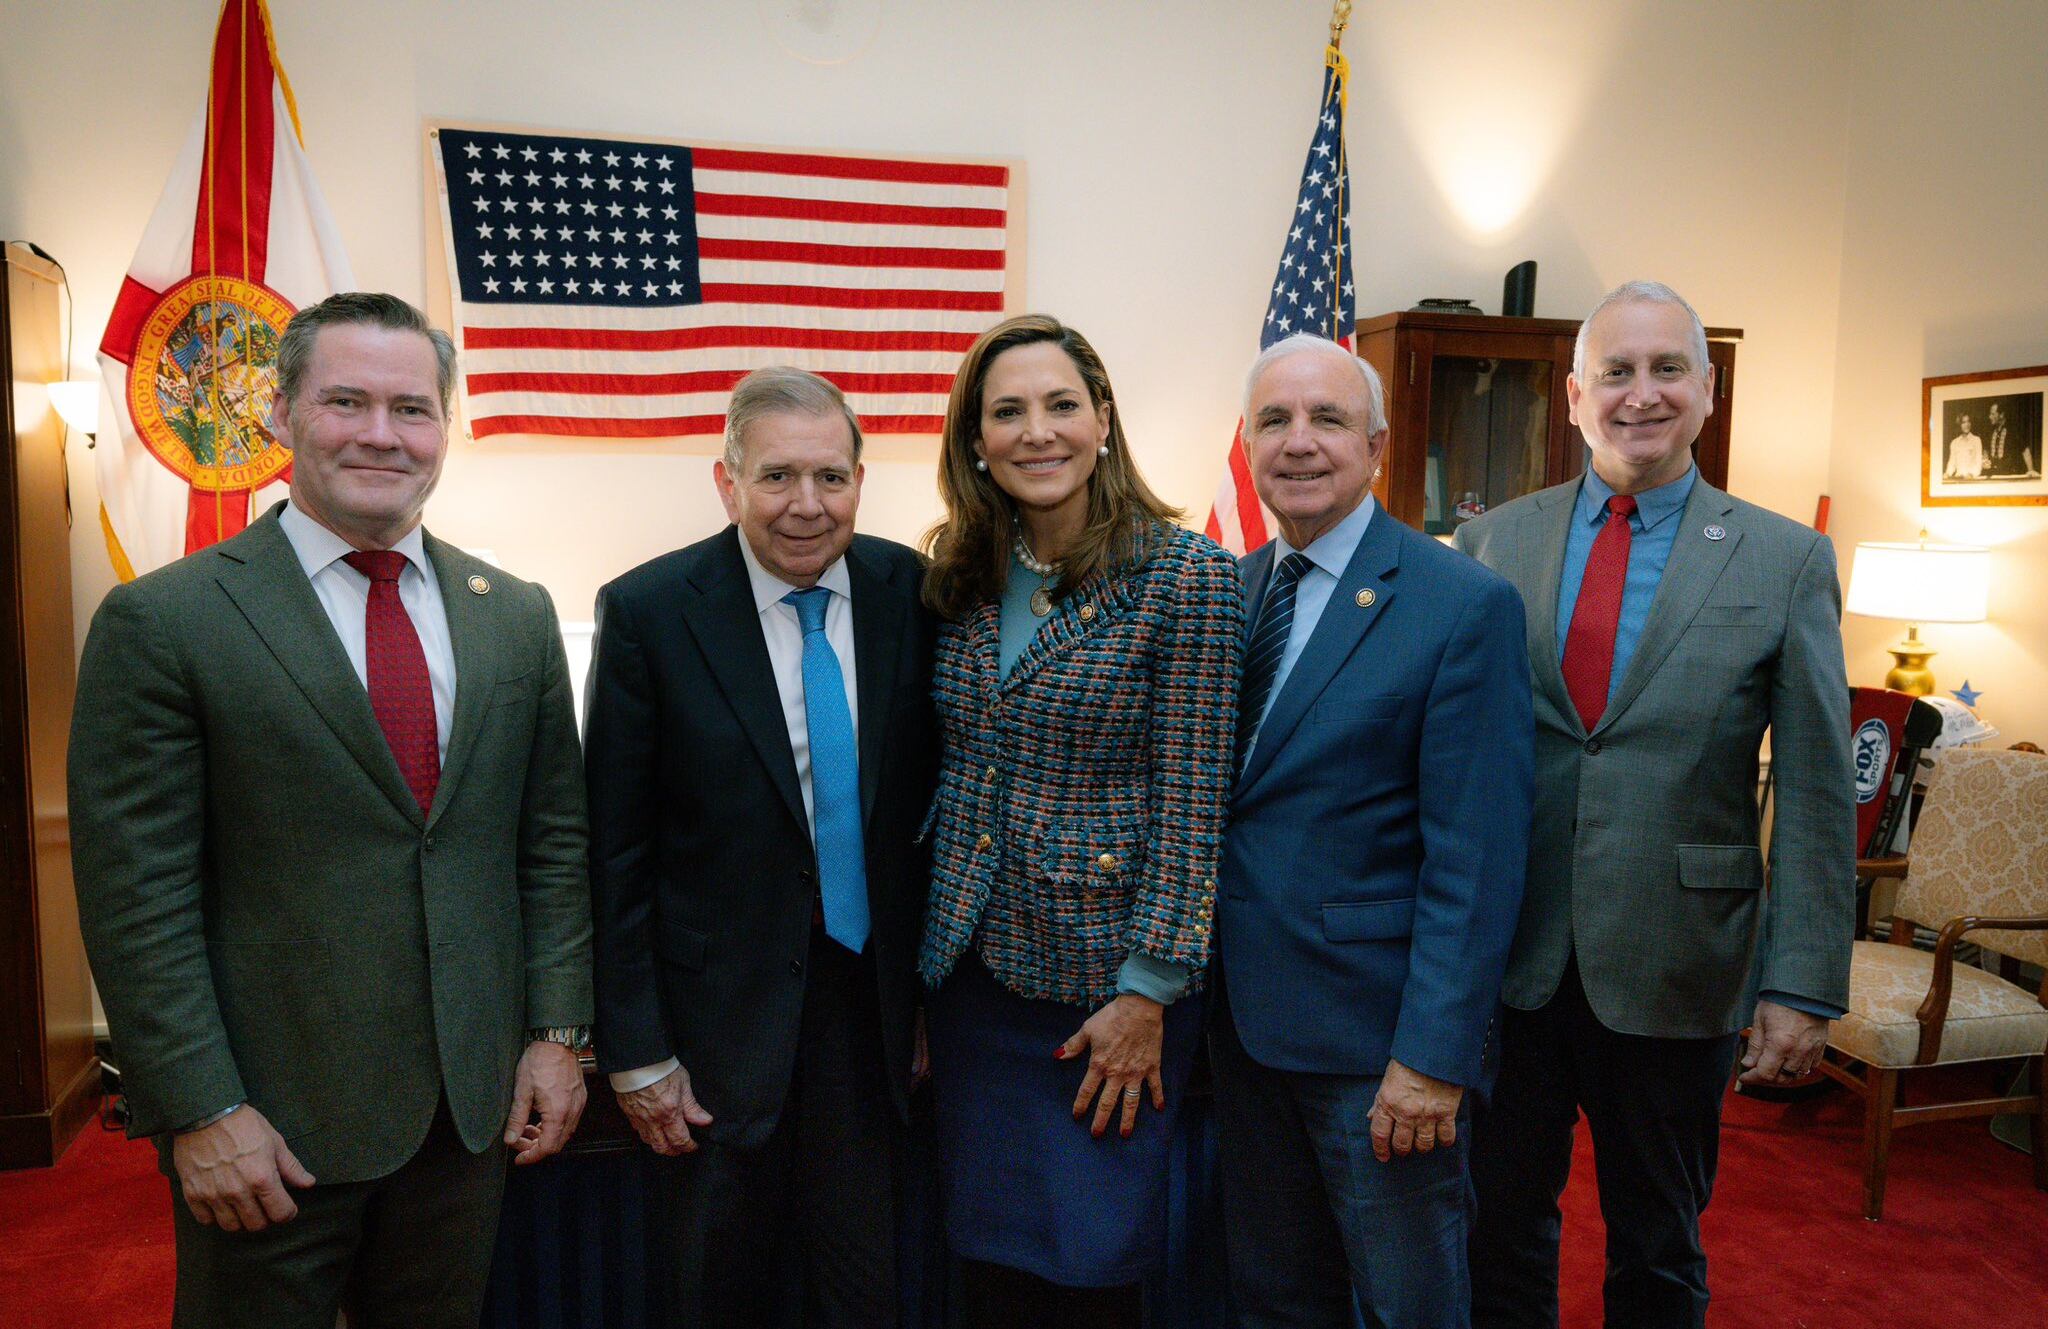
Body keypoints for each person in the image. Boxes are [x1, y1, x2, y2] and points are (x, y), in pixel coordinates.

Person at [69, 292, 593, 1328]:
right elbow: (139, 899)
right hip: (269, 1121)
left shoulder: (516, 615)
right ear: (280, 414)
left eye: (411, 408)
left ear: (444, 427)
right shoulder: (166, 621)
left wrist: (556, 1033)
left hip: (468, 1113)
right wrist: (200, 1107)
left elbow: (551, 845)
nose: (380, 434)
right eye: (346, 401)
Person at [1456, 280, 1854, 1328]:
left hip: (1679, 965)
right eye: (1617, 373)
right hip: (1508, 958)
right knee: (1495, 1231)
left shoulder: (1783, 559)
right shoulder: (1492, 544)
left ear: (1706, 389)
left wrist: (1802, 983)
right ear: (1576, 396)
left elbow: (1815, 791)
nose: (1642, 395)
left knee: (1658, 1248)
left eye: (1666, 368)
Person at [583, 366, 939, 1328]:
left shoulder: (917, 591)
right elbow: (611, 853)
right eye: (777, 477)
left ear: (862, 477)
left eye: (832, 476)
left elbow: (929, 812)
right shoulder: (651, 612)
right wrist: (637, 1050)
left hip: (870, 1022)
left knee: (862, 1292)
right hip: (713, 1034)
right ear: (726, 479)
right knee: (717, 1290)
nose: (807, 506)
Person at [917, 313, 1242, 1325]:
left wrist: (1148, 993)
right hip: (973, 987)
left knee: (1089, 1267)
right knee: (986, 1265)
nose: (1036, 431)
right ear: (974, 440)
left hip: (1105, 998)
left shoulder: (1185, 578)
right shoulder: (959, 574)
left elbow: (1196, 805)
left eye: (1061, 405)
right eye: (1006, 411)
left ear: (1102, 421)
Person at [1213, 333, 1534, 1329]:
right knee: (1274, 1296)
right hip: (1237, 1030)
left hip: (1376, 1049)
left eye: (1326, 419)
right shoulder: (1231, 591)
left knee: (1405, 1302)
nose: (1297, 443)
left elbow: (1474, 860)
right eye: (1273, 420)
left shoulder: (1459, 606)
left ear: (1377, 445)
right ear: (1247, 441)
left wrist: (1432, 1058)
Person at [1944, 412, 1984, 479]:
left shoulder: (1976, 440)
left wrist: (1972, 474)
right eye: (1963, 422)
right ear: (1959, 425)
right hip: (1958, 478)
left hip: (1972, 479)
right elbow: (1952, 463)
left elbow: (1978, 462)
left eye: (1968, 421)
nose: (1967, 424)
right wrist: (1947, 473)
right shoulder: (1954, 443)